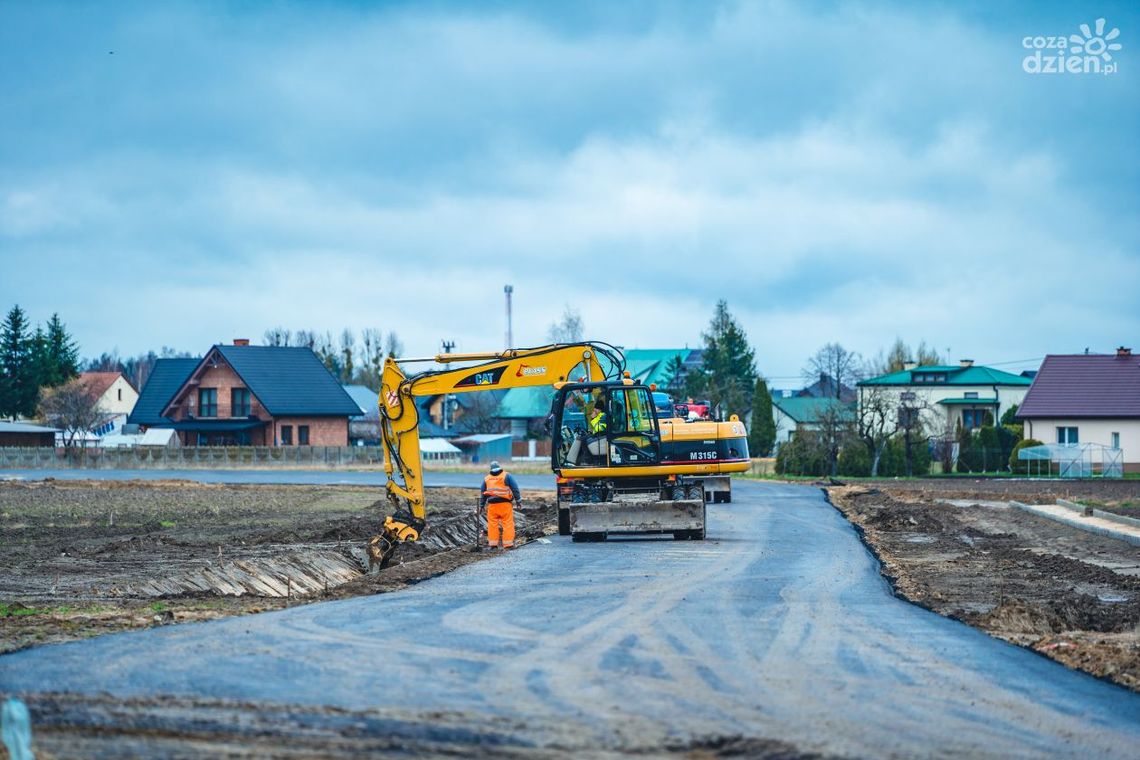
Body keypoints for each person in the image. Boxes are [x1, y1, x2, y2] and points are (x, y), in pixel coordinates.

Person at [480, 461, 522, 549]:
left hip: (492, 506)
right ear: (500, 467)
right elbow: (515, 489)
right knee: (507, 524)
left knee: (492, 525)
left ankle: (493, 545)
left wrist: (481, 506)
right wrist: (518, 501)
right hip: (505, 504)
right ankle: (508, 544)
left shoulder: (487, 478)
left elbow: (483, 493)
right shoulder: (507, 476)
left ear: (490, 469)